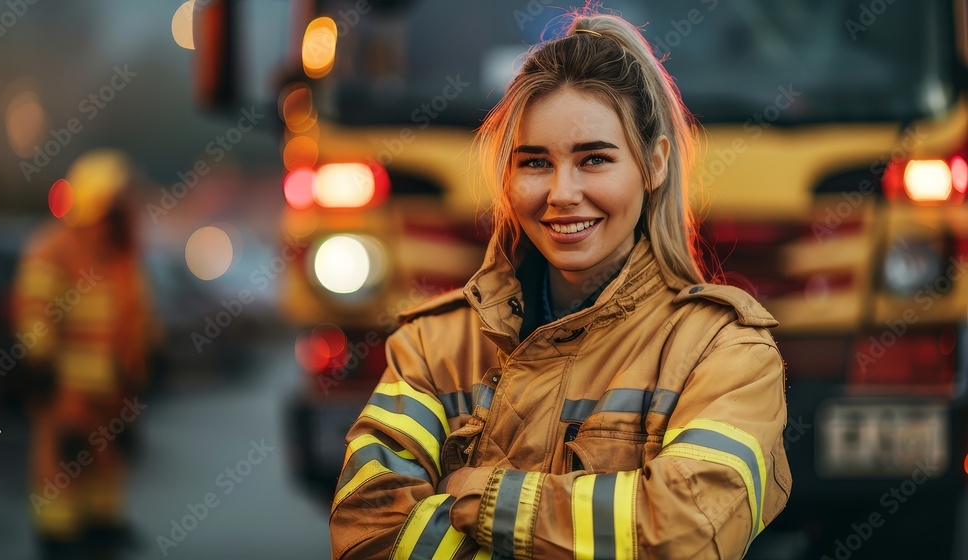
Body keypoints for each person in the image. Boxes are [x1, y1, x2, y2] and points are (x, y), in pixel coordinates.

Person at [329, 12, 791, 560]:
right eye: (535, 163)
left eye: (594, 159)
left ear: (655, 164)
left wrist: (484, 501)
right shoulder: (432, 347)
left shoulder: (728, 353)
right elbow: (369, 536)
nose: (562, 193)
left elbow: (688, 532)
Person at [12, 149, 155, 560]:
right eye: (118, 203)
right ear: (97, 202)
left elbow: (135, 318)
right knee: (59, 466)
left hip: (111, 392)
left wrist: (144, 364)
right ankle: (59, 538)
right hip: (66, 390)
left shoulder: (119, 254)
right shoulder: (54, 247)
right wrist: (41, 367)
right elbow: (35, 311)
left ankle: (101, 527)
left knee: (105, 464)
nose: (127, 212)